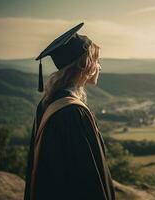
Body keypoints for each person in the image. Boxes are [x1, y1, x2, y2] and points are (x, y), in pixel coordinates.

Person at [24, 23, 116, 200]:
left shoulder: (49, 102)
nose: (100, 67)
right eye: (97, 61)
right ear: (85, 64)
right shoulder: (72, 112)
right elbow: (88, 178)